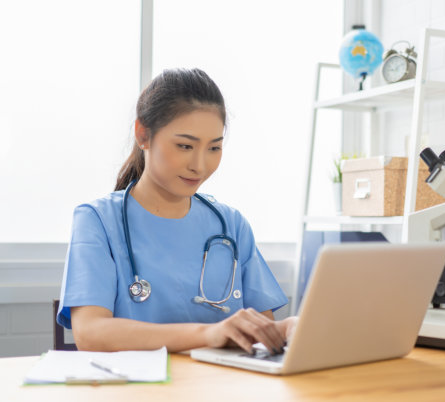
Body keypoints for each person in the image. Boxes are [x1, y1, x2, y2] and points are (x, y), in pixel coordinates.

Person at [56, 68, 297, 355]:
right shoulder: (97, 221)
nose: (200, 165)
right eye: (185, 145)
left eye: (214, 148)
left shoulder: (230, 224)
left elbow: (260, 334)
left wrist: (288, 329)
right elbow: (91, 334)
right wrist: (211, 333)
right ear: (143, 135)